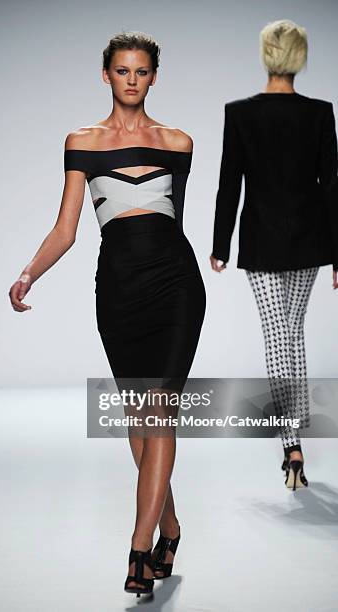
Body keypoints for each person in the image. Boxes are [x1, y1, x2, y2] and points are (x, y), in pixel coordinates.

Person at [9, 31, 206, 596]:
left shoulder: (178, 142)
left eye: (141, 71)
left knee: (160, 410)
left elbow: (174, 220)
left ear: (153, 77)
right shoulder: (83, 141)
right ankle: (169, 525)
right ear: (106, 75)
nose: (131, 80)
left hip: (175, 284)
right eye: (122, 70)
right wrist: (28, 274)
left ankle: (139, 547)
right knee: (138, 421)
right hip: (118, 288)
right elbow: (67, 229)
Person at [210, 19, 338, 491]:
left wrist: (220, 244)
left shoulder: (240, 114)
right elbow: (332, 189)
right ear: (298, 57)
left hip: (262, 241)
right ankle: (295, 433)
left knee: (277, 334)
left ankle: (290, 443)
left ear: (267, 55)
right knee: (292, 331)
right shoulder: (320, 113)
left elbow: (231, 182)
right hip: (309, 240)